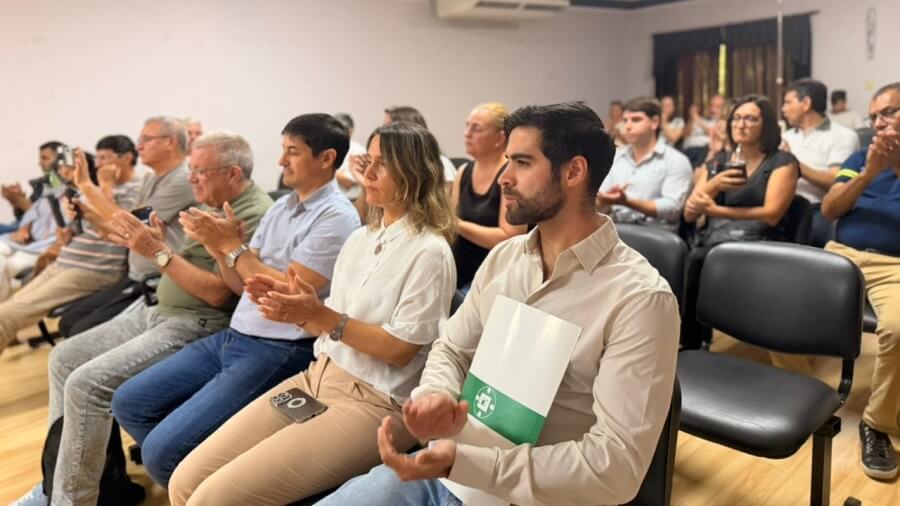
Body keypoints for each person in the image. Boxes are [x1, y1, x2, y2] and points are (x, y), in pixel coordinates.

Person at [319, 102, 679, 506]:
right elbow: (452, 348)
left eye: (522, 163)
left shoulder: (639, 299)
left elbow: (615, 468)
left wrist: (470, 464)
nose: (504, 178)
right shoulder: (506, 259)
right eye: (508, 161)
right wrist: (436, 393)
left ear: (574, 172)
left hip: (531, 496)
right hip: (450, 469)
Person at [167, 121, 456, 506]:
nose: (368, 173)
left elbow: (400, 349)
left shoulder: (429, 252)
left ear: (414, 173)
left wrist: (318, 316)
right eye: (368, 161)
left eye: (383, 164)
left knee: (211, 500)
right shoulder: (362, 237)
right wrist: (295, 309)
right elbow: (329, 319)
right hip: (319, 375)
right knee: (183, 483)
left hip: (376, 400)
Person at [19, 130, 272, 506]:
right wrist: (161, 246)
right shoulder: (213, 202)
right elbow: (182, 261)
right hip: (159, 309)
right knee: (63, 357)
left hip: (195, 322)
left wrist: (158, 252)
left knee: (86, 385)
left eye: (200, 171)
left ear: (233, 173)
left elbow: (219, 294)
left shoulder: (249, 213)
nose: (192, 178)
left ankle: (72, 499)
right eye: (191, 170)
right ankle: (63, 479)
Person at [110, 114, 359, 487]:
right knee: (129, 402)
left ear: (326, 158)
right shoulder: (281, 207)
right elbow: (241, 285)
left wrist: (232, 247)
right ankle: (204, 477)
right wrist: (219, 248)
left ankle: (210, 482)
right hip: (236, 334)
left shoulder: (336, 217)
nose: (281, 161)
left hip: (280, 348)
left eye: (292, 152)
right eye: (283, 150)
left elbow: (289, 292)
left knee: (161, 454)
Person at [821, 82, 900, 481]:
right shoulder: (859, 157)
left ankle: (877, 424)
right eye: (873, 117)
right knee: (776, 300)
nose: (878, 123)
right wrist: (870, 172)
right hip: (842, 255)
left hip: (895, 267)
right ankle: (803, 396)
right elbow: (830, 208)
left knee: (898, 330)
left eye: (888, 113)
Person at [55, 116, 196, 338]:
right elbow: (123, 228)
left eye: (146, 139)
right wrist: (86, 211)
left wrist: (87, 186)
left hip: (158, 280)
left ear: (170, 142)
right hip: (136, 275)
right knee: (68, 322)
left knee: (78, 329)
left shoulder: (183, 180)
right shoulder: (151, 178)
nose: (139, 147)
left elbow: (131, 225)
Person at [0, 137, 142, 354]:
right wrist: (68, 232)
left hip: (93, 269)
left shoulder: (136, 189)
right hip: (66, 261)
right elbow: (87, 225)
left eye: (105, 158)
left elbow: (118, 226)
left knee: (6, 316)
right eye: (98, 158)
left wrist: (105, 185)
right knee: (5, 309)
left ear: (127, 158)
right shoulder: (91, 189)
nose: (100, 164)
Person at [682, 94, 799, 349]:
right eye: (736, 118)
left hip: (761, 239)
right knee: (693, 257)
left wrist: (717, 210)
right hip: (718, 238)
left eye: (750, 119)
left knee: (699, 258)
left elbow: (771, 214)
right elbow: (690, 213)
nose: (740, 124)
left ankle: (696, 339)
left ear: (766, 125)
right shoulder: (719, 161)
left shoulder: (782, 162)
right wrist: (713, 185)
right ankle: (692, 342)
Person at [451, 102, 527, 290]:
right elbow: (450, 223)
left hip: (494, 277)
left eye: (476, 128)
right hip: (459, 271)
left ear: (500, 138)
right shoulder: (463, 171)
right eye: (467, 126)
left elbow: (510, 237)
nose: (467, 133)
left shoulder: (510, 177)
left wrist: (457, 225)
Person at [782, 79, 859, 246]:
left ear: (806, 103)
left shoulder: (842, 136)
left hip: (817, 209)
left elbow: (836, 181)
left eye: (788, 102)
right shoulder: (786, 137)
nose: (783, 109)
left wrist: (792, 163)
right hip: (781, 205)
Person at [597, 97, 692, 232]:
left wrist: (627, 202)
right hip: (616, 230)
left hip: (656, 234)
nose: (628, 126)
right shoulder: (615, 158)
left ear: (655, 122)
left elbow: (672, 208)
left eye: (636, 120)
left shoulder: (675, 160)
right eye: (625, 120)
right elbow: (601, 198)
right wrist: (602, 201)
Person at [0, 141, 64, 233]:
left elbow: (44, 219)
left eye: (45, 158)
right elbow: (22, 216)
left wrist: (19, 200)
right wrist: (16, 203)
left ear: (60, 160)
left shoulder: (61, 186)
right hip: (21, 226)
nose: (40, 163)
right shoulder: (42, 184)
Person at [682, 94, 726, 166]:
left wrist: (695, 117)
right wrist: (691, 118)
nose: (713, 109)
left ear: (724, 108)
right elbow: (685, 135)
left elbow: (712, 131)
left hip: (702, 151)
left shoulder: (721, 121)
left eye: (717, 106)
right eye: (711, 106)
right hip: (686, 151)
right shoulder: (701, 119)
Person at [333, 112, 368, 201]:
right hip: (330, 199)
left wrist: (330, 172)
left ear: (350, 131)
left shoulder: (359, 151)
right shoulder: (326, 148)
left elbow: (348, 183)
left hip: (352, 199)